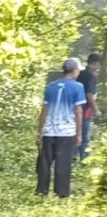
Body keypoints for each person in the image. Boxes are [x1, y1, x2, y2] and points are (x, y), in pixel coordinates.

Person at [36, 58, 85, 199]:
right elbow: (78, 111)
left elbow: (44, 110)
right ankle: (61, 193)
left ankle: (42, 191)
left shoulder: (51, 86)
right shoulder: (78, 86)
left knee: (45, 163)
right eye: (78, 70)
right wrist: (79, 133)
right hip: (66, 131)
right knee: (63, 163)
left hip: (49, 130)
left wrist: (40, 131)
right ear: (74, 71)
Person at [77, 52, 101, 161]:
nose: (99, 67)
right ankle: (84, 160)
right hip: (85, 110)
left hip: (76, 109)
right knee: (85, 138)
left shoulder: (80, 73)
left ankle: (73, 159)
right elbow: (89, 94)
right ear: (95, 63)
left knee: (76, 135)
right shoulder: (91, 76)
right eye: (99, 64)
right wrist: (96, 110)